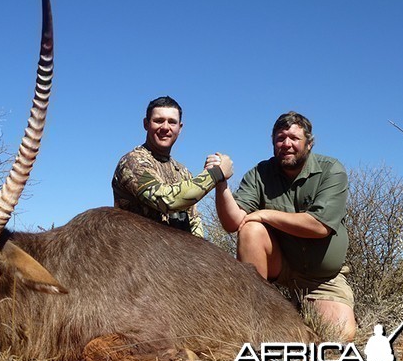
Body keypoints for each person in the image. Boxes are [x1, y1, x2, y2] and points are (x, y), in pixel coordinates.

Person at [213, 111, 356, 340]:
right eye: (280, 138)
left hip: (321, 278)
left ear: (309, 144)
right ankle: (253, 314)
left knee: (340, 334)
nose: (286, 144)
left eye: (294, 138)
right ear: (273, 142)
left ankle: (295, 309)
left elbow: (319, 226)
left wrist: (265, 214)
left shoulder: (331, 170)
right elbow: (233, 222)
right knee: (251, 229)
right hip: (281, 269)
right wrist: (220, 183)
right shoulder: (260, 173)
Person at [112, 96, 232, 237]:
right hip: (137, 251)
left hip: (176, 252)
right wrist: (216, 174)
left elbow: (193, 221)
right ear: (146, 124)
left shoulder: (183, 172)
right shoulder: (132, 163)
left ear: (180, 128)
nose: (165, 127)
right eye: (158, 121)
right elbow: (167, 200)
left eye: (172, 122)